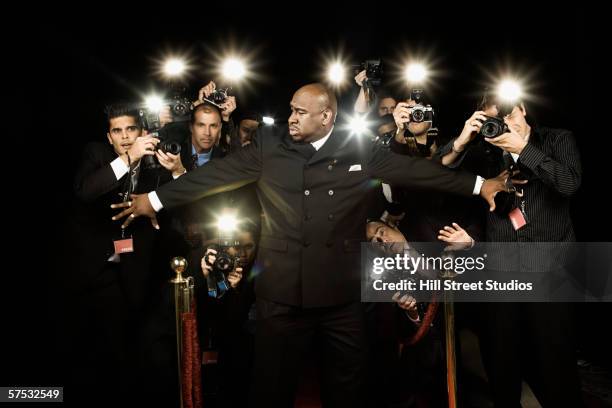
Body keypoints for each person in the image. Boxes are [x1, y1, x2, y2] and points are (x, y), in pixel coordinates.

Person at [112, 83, 510, 407]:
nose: (292, 118)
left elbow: (419, 173)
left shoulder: (360, 150)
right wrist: (153, 199)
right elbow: (215, 175)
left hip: (341, 298)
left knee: (348, 392)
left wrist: (481, 185)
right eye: (291, 109)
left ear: (327, 117)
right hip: (281, 297)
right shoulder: (270, 147)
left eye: (301, 112)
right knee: (270, 392)